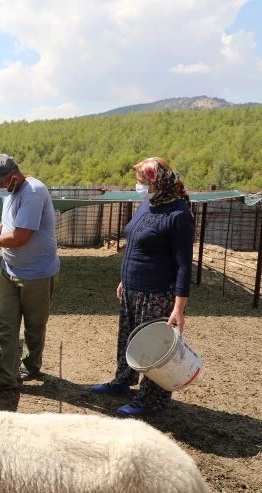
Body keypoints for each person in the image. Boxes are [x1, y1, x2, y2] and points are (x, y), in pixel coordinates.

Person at [91, 157, 194, 416]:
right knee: (128, 340)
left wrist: (179, 307)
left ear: (156, 181)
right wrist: (125, 279)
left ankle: (151, 401)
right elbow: (138, 244)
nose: (138, 186)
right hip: (133, 289)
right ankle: (123, 382)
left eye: (141, 181)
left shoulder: (178, 214)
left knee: (153, 349)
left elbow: (183, 265)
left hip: (157, 293)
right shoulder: (148, 204)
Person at [0, 154, 60, 393]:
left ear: (12, 177)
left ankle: (31, 365)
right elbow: (6, 225)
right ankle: (7, 376)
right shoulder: (10, 193)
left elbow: (20, 237)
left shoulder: (33, 192)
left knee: (34, 324)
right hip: (10, 269)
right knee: (6, 325)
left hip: (37, 273)